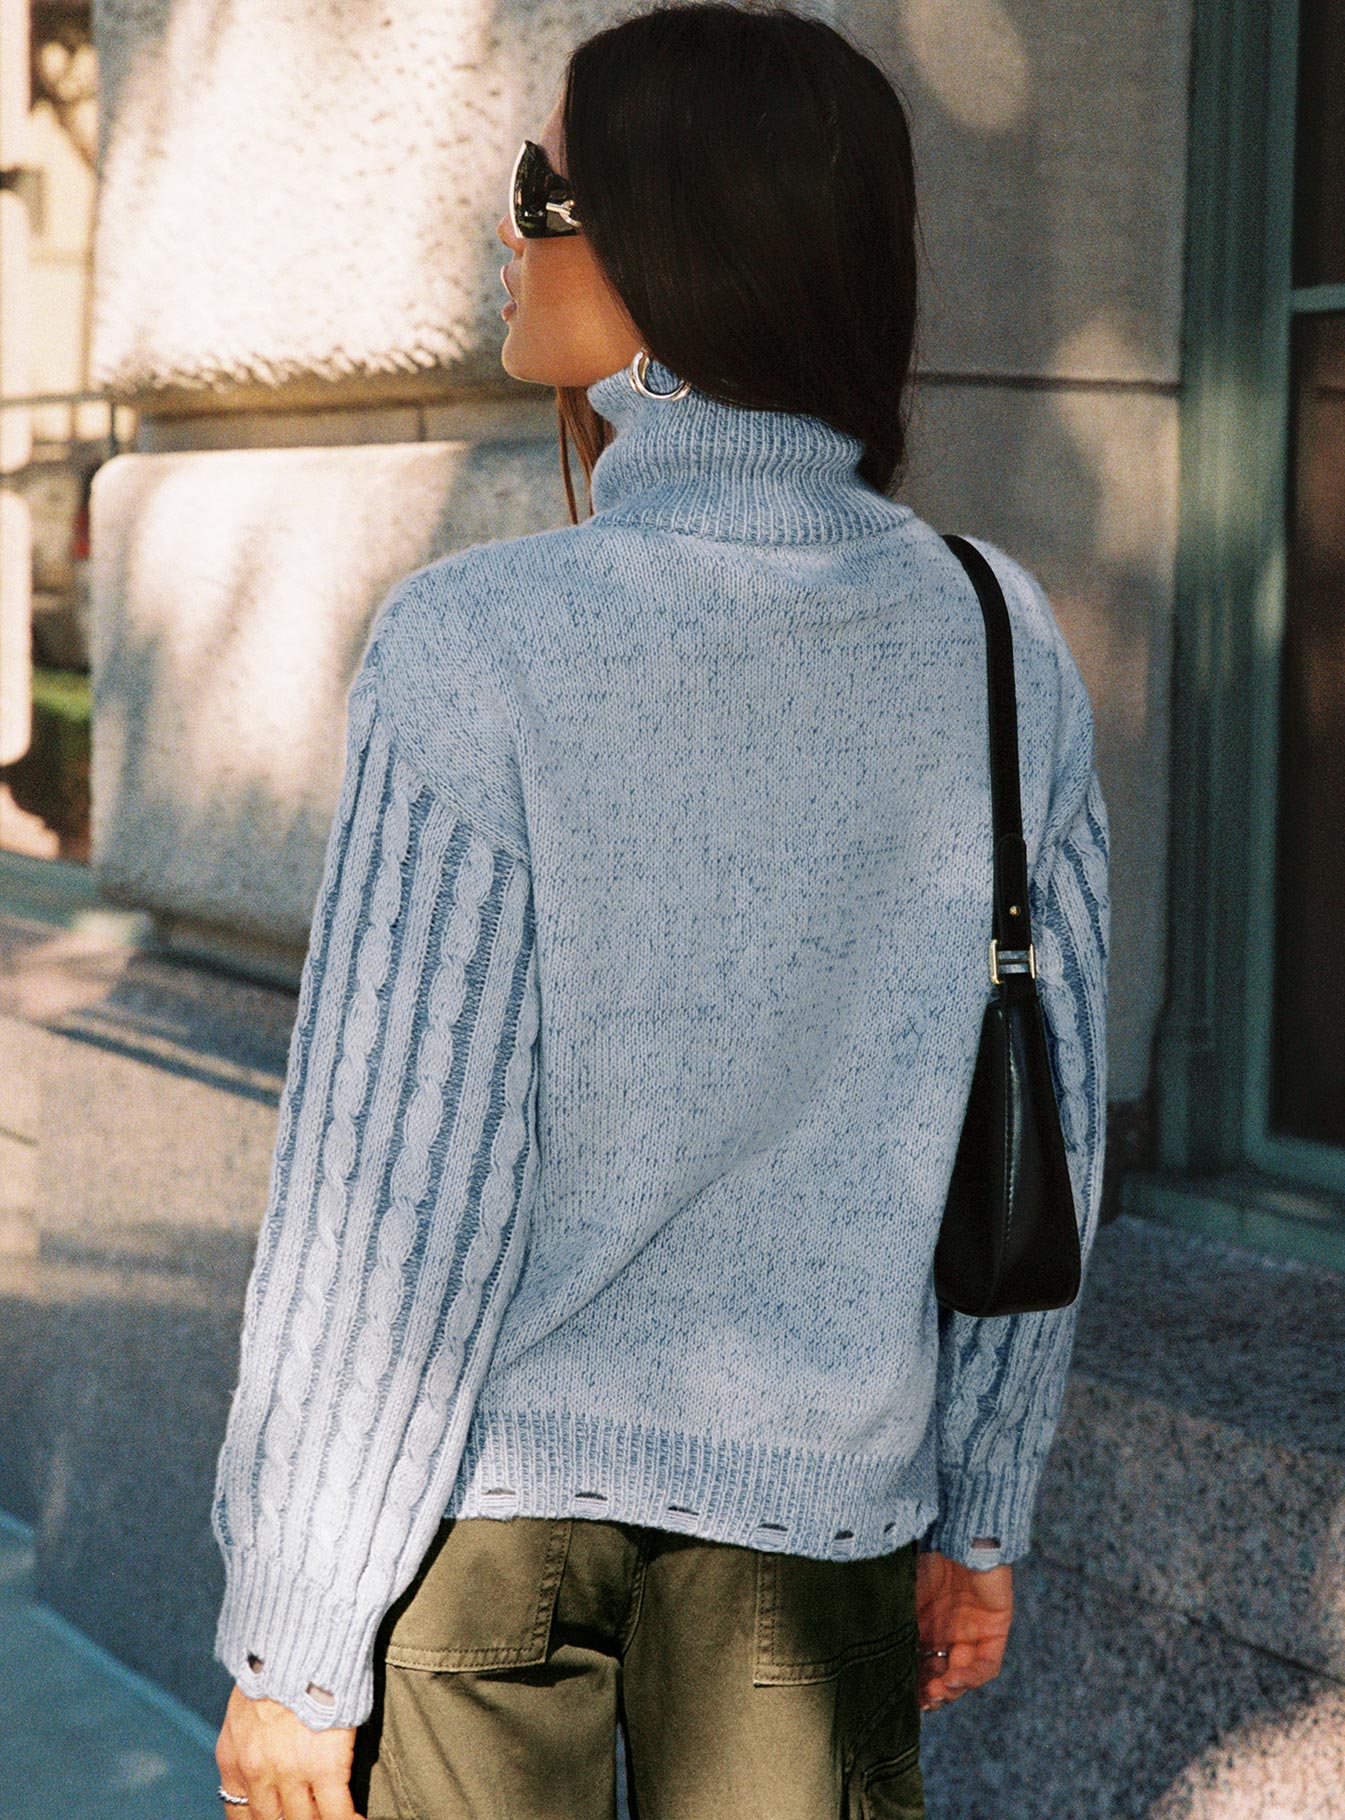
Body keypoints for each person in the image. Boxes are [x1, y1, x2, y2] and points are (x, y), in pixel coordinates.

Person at [211, 5, 1111, 1817]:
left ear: (685, 243)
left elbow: (396, 1179)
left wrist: (297, 1630)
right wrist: (981, 1505)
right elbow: (1048, 1124)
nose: (505, 228)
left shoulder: (478, 641)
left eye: (543, 190)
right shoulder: (996, 633)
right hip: (821, 1519)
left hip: (478, 1532)